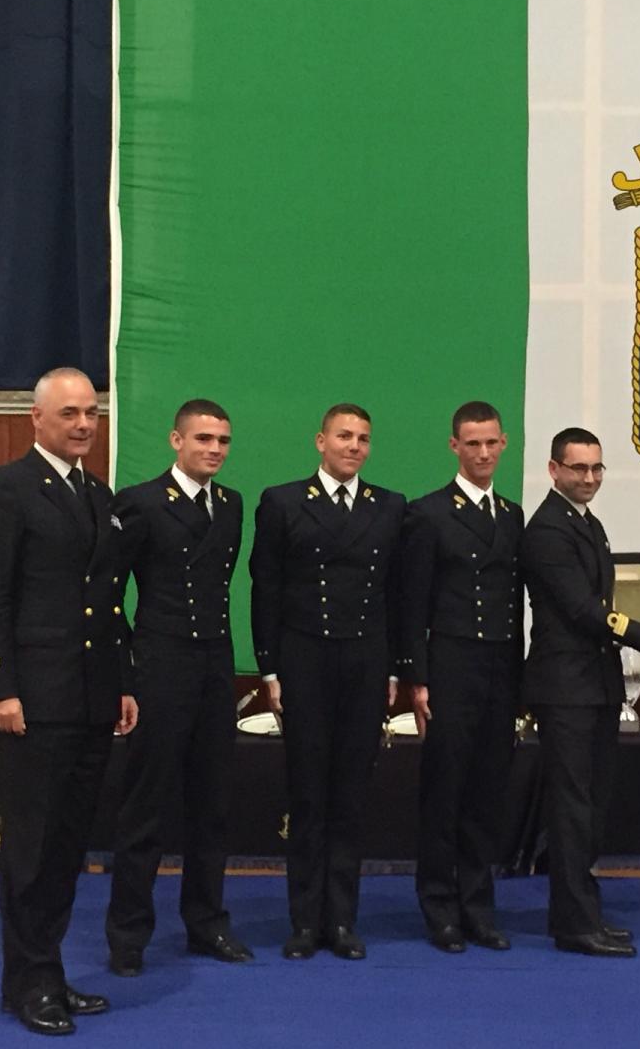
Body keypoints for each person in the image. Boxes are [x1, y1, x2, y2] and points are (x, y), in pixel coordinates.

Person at [0, 368, 139, 1036]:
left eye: (91, 412)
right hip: (33, 699)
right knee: (32, 849)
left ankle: (46, 971)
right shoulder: (7, 489)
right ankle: (30, 980)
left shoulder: (97, 494)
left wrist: (123, 682)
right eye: (70, 413)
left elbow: (108, 603)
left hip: (90, 697)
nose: (84, 424)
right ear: (36, 418)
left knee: (67, 847)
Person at [521, 427, 640, 958]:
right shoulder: (547, 530)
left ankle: (582, 912)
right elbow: (582, 608)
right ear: (553, 470)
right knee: (572, 808)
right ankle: (575, 924)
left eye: (597, 468)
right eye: (578, 468)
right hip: (565, 687)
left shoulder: (587, 523)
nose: (589, 477)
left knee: (592, 805)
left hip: (594, 683)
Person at [249, 403, 405, 961]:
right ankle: (303, 922)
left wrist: (394, 668)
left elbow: (395, 595)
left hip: (364, 662)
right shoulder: (283, 502)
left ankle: (341, 920)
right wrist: (269, 669)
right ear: (320, 441)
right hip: (304, 661)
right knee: (308, 794)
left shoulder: (389, 506)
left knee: (350, 798)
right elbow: (265, 588)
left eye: (363, 438)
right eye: (344, 436)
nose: (354, 446)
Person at [105, 399, 251, 975]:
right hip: (160, 664)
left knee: (212, 804)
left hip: (215, 665)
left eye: (223, 441)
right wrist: (124, 676)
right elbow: (109, 595)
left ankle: (207, 923)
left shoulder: (231, 504)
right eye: (203, 439)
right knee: (147, 807)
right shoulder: (140, 502)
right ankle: (128, 935)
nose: (214, 449)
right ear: (176, 440)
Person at [397, 401, 523, 953]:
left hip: (499, 669)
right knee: (444, 793)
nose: (483, 453)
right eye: (472, 444)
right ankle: (439, 908)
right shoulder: (428, 513)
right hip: (449, 666)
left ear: (504, 443)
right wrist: (416, 679)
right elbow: (412, 603)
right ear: (454, 446)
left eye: (491, 442)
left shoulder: (512, 515)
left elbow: (514, 603)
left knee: (486, 793)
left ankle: (478, 906)